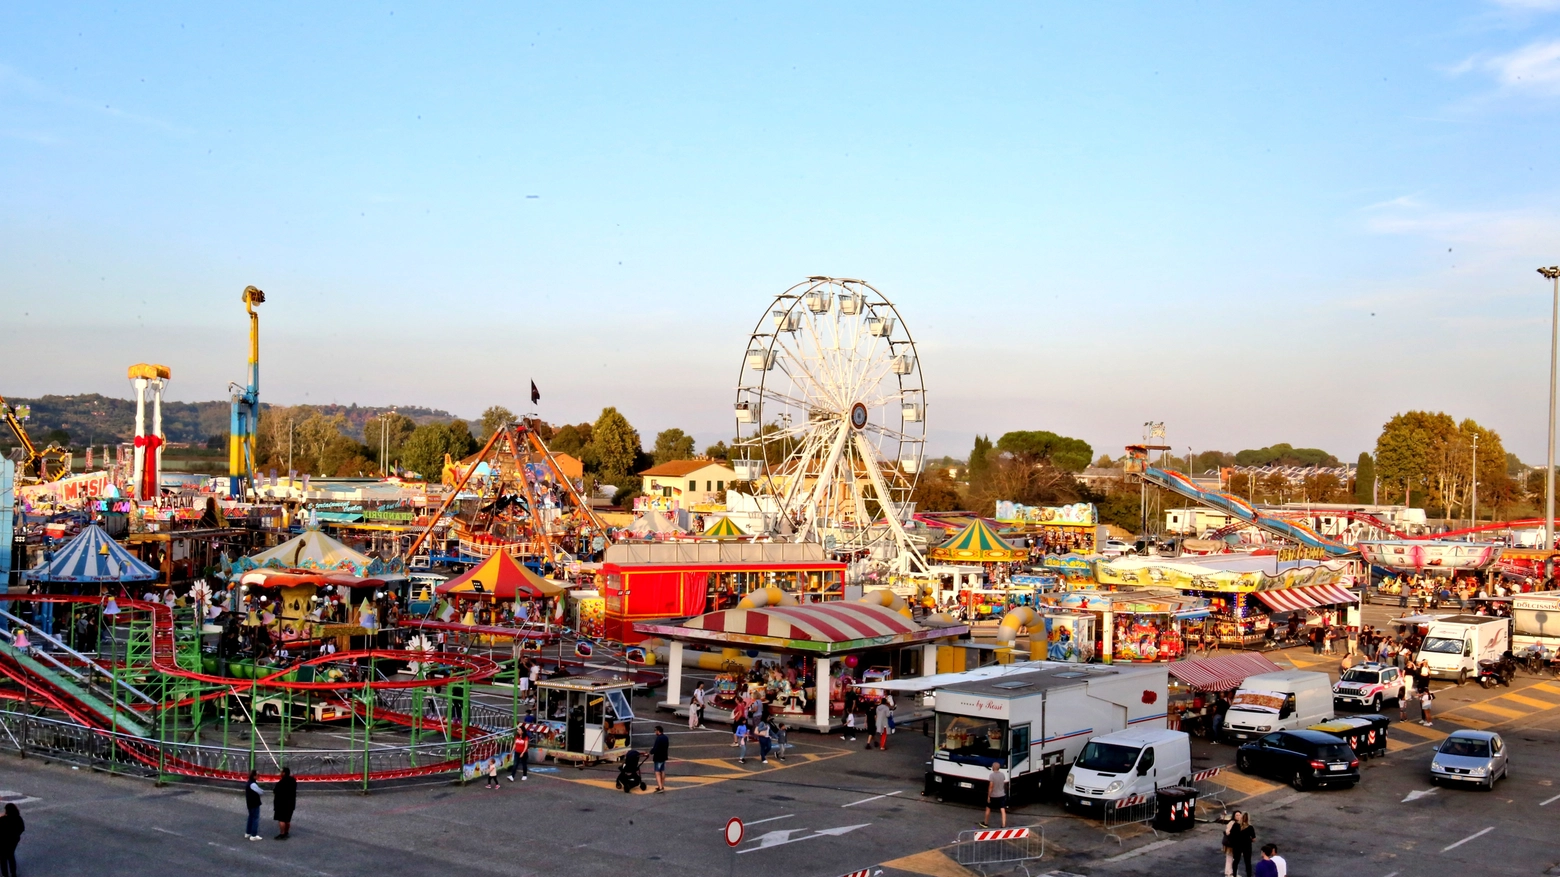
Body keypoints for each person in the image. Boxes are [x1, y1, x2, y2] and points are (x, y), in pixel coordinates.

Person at [1224, 811, 1255, 877]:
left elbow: (1231, 835)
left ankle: (1234, 874)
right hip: (1247, 846)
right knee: (1247, 862)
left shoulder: (1235, 825)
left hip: (1237, 846)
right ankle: (1248, 875)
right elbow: (1253, 838)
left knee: (1236, 861)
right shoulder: (1250, 827)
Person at [980, 762, 1009, 829]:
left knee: (988, 808)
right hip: (1001, 794)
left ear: (993, 767)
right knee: (1002, 809)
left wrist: (989, 796)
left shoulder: (992, 775)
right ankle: (1003, 825)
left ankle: (985, 823)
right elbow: (1003, 783)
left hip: (993, 795)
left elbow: (991, 786)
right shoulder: (1002, 775)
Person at [273, 766, 296, 840]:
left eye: (281, 772)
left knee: (281, 819)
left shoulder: (281, 783)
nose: (280, 773)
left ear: (284, 773)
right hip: (291, 803)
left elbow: (275, 791)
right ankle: (286, 832)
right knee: (288, 820)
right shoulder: (293, 781)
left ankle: (282, 833)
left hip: (281, 804)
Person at [0, 803, 23, 877]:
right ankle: (13, 873)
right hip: (14, 840)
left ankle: (5, 874)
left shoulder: (3, 819)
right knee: (11, 856)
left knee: (3, 858)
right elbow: (22, 828)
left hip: (3, 841)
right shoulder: (18, 818)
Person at [244, 771, 264, 841]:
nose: (258, 776)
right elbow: (260, 792)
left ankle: (248, 832)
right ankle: (253, 835)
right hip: (254, 803)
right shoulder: (253, 784)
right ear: (254, 776)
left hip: (249, 803)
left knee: (250, 817)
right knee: (255, 818)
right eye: (257, 775)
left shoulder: (249, 783)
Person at [650, 725, 670, 792]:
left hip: (658, 757)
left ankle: (660, 787)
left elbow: (655, 748)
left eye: (655, 731)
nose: (655, 732)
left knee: (657, 772)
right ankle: (662, 785)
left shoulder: (658, 738)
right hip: (664, 756)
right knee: (662, 771)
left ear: (658, 731)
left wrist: (650, 752)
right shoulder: (666, 737)